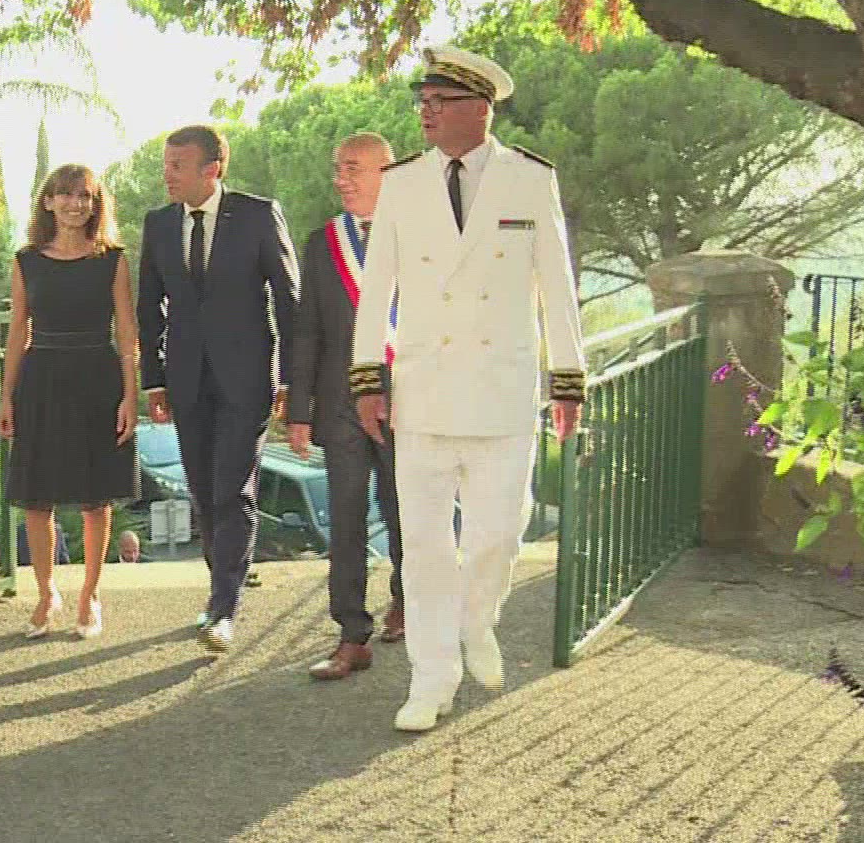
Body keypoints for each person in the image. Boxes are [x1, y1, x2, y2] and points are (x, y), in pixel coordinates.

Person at [351, 46, 586, 733]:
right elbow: (377, 289)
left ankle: (476, 620)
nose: (425, 113)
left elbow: (558, 286)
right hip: (424, 389)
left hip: (501, 389)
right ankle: (431, 678)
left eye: (439, 102)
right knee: (425, 547)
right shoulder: (402, 183)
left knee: (499, 535)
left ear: (480, 108)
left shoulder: (529, 179)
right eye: (421, 101)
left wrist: (567, 379)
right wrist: (367, 378)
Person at [136, 124, 299, 653]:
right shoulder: (159, 224)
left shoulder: (257, 215)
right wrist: (154, 380)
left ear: (213, 169)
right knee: (204, 490)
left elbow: (289, 299)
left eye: (177, 165)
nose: (167, 174)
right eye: (165, 164)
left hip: (247, 378)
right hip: (186, 379)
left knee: (233, 487)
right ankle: (220, 587)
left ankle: (224, 607)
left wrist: (293, 379)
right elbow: (148, 307)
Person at [0, 165, 140, 640]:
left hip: (98, 379)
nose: (76, 204)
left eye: (86, 196)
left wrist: (130, 396)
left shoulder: (112, 260)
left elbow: (128, 334)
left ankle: (90, 596)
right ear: (48, 202)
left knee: (95, 499)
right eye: (67, 195)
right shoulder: (26, 261)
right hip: (41, 381)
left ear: (96, 204)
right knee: (37, 499)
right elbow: (17, 332)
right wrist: (6, 397)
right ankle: (46, 594)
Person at [287, 132, 406, 681]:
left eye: (354, 168)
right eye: (338, 168)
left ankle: (407, 600)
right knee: (346, 516)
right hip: (340, 402)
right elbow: (307, 330)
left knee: (406, 508)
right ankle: (351, 635)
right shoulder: (323, 242)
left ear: (388, 172)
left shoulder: (418, 232)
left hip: (409, 395)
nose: (341, 179)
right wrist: (300, 411)